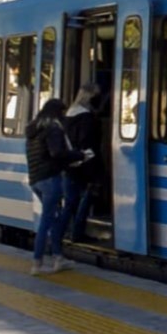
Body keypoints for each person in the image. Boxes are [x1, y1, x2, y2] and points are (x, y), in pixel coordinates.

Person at [25, 98, 86, 275]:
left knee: (53, 219)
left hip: (36, 179)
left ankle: (59, 258)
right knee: (47, 221)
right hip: (50, 179)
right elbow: (57, 153)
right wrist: (79, 155)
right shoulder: (53, 128)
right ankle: (37, 263)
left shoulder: (33, 129)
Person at [60, 85, 103, 244]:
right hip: (85, 163)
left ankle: (63, 232)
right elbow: (88, 142)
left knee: (70, 202)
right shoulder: (86, 118)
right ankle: (77, 232)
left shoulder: (69, 115)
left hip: (69, 163)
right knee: (86, 197)